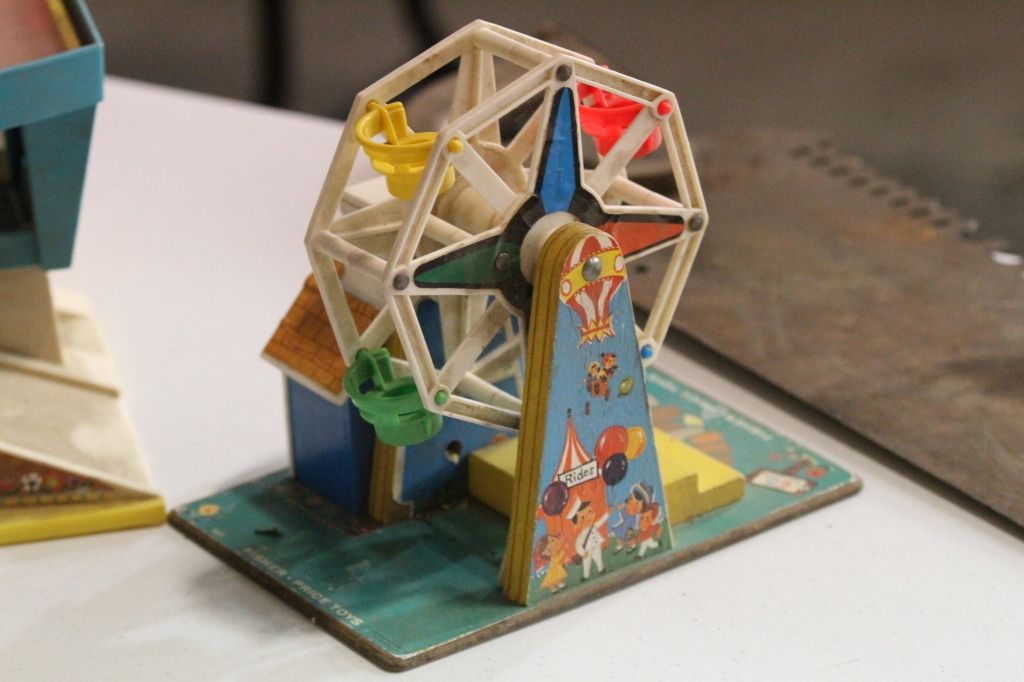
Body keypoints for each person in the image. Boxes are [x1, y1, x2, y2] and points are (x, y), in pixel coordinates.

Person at [570, 498, 609, 580]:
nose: (588, 517)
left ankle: (601, 569)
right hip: (587, 550)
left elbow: (600, 521)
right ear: (577, 524)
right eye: (582, 517)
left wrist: (607, 514)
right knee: (587, 562)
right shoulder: (581, 535)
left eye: (590, 512)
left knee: (598, 557)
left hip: (596, 545)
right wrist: (582, 552)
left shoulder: (593, 527)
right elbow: (578, 545)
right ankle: (586, 576)